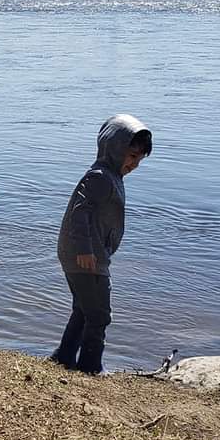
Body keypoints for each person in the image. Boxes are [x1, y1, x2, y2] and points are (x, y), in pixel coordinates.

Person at [50, 114, 152, 374]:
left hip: (86, 254)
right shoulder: (100, 177)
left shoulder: (111, 175)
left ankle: (63, 358)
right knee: (99, 315)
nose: (135, 163)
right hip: (85, 256)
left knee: (84, 310)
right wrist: (85, 248)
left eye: (140, 158)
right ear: (114, 148)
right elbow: (80, 212)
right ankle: (91, 367)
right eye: (131, 156)